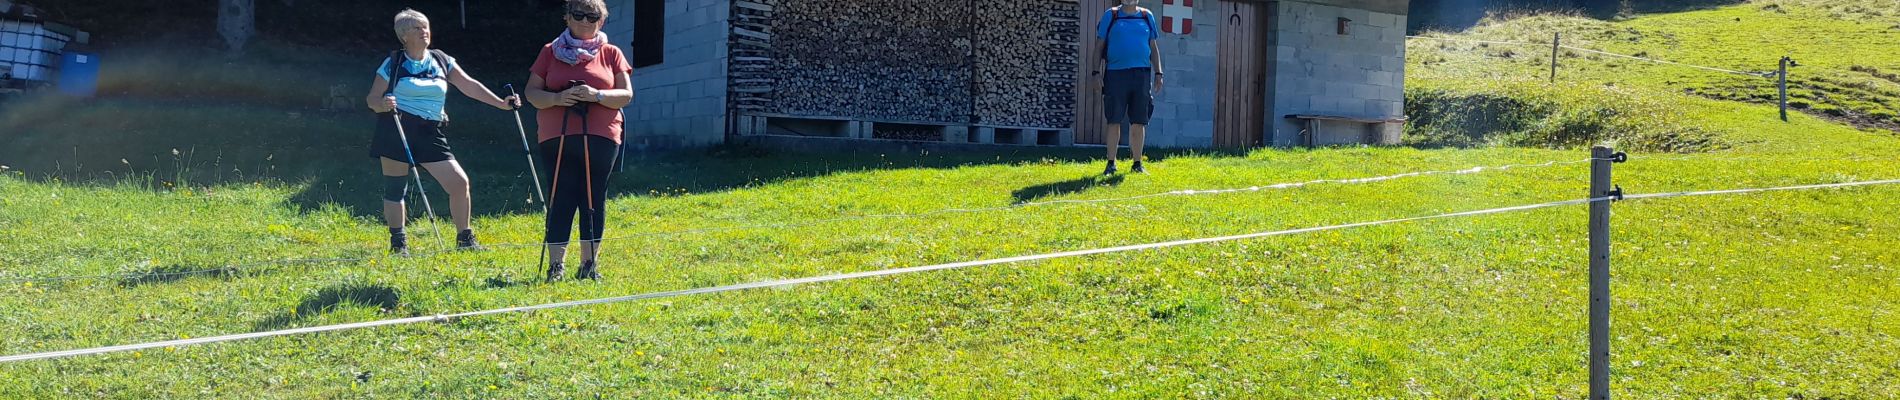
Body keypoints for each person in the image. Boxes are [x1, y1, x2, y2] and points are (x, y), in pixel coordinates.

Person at [365, 8, 520, 255]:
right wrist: (382, 104)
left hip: (430, 131)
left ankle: (464, 238)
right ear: (404, 35)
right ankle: (399, 243)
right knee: (396, 189)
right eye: (417, 28)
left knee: (459, 183)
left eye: (425, 26)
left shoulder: (441, 59)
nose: (424, 31)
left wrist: (501, 104)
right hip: (397, 128)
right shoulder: (393, 63)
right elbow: (372, 99)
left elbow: (469, 85)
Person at [524, 0, 633, 282]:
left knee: (593, 197)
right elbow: (532, 93)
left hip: (601, 134)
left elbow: (625, 95)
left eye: (592, 16)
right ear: (567, 18)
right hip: (556, 134)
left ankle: (588, 265)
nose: (585, 21)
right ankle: (555, 266)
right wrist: (558, 98)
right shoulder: (550, 52)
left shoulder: (611, 53)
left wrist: (595, 95)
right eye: (579, 14)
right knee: (560, 197)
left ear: (602, 21)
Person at [1094, 0, 1164, 175]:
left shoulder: (1147, 16)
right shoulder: (1111, 15)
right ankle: (1111, 163)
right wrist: (1095, 73)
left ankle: (1137, 164)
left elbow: (1153, 48)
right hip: (1115, 74)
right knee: (1113, 119)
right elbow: (1099, 46)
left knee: (1139, 121)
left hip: (1141, 75)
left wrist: (1158, 73)